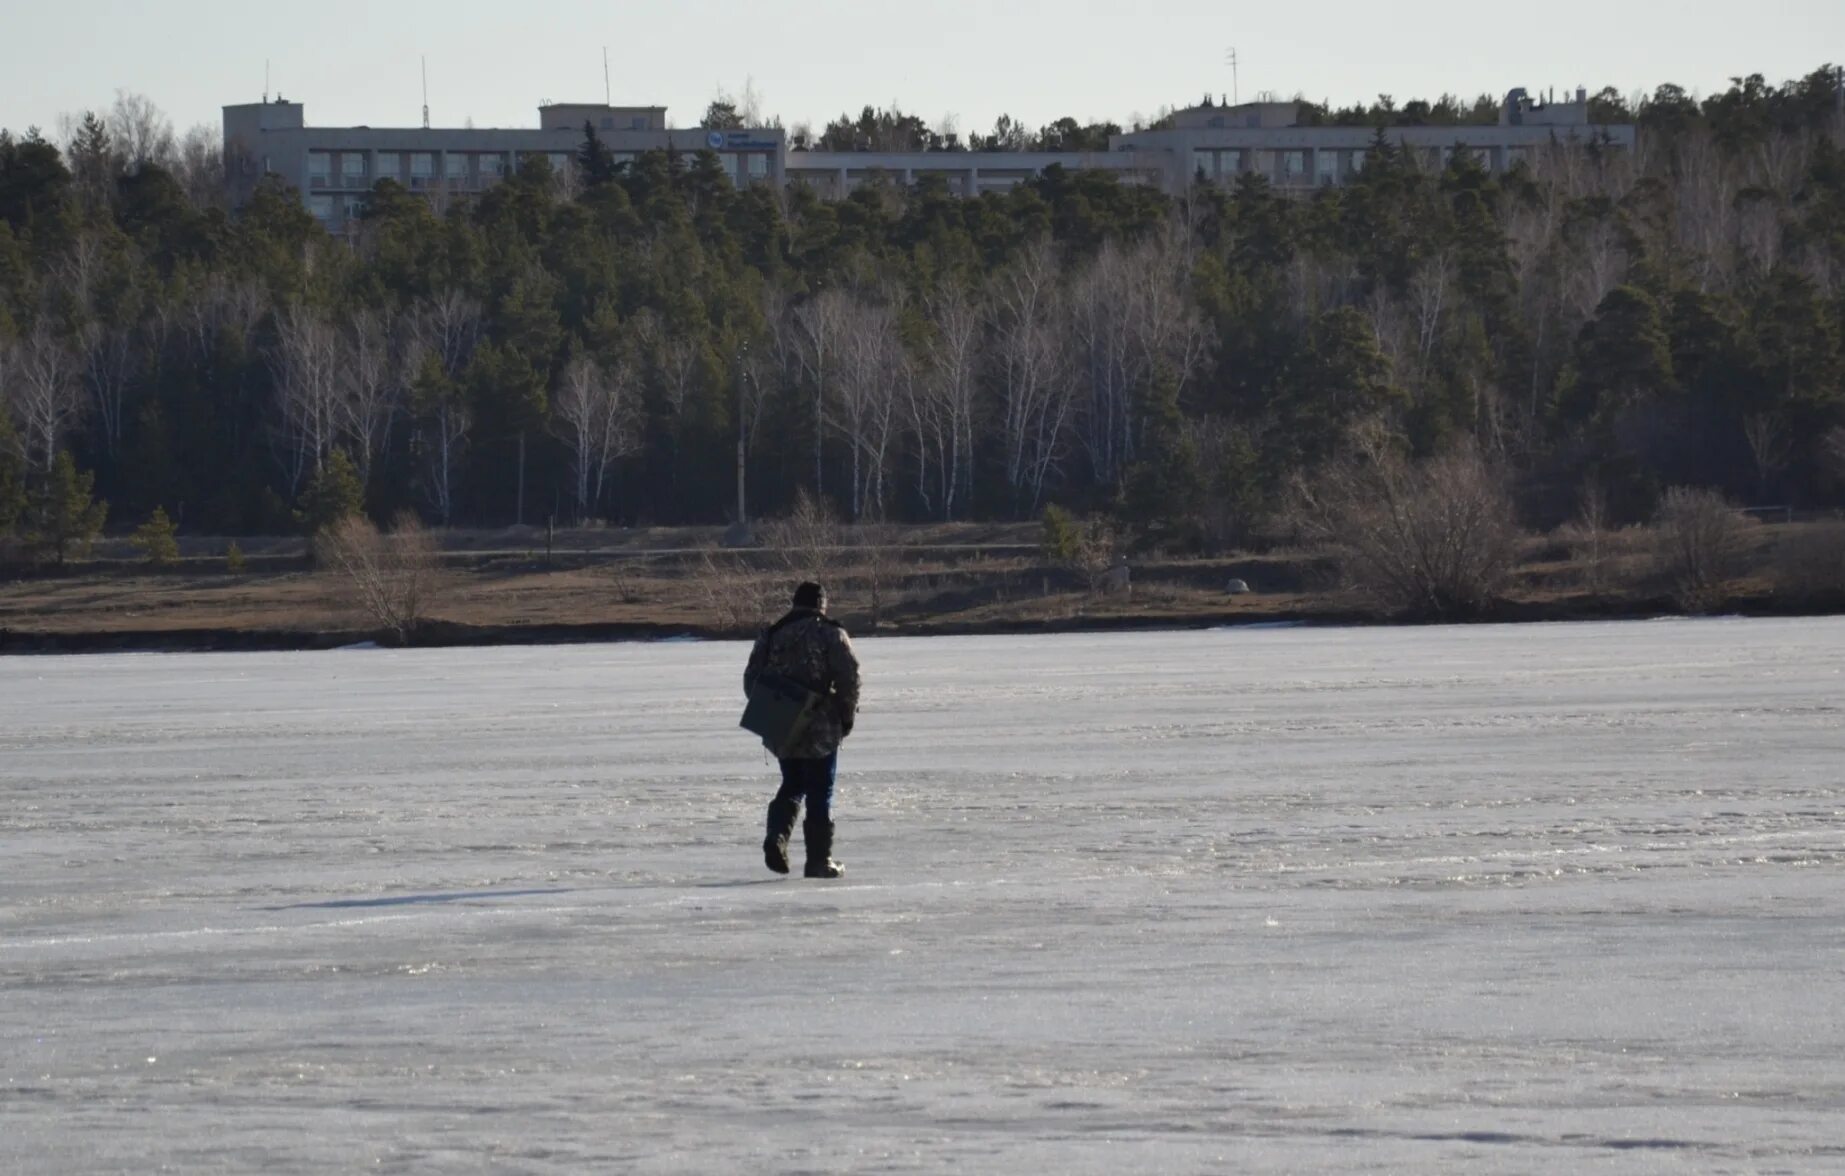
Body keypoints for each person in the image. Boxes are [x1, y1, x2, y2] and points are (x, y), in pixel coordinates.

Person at [745, 581, 860, 879]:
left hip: (782, 724)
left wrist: (774, 709)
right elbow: (849, 678)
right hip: (820, 727)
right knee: (821, 789)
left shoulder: (772, 634)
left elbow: (751, 680)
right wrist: (845, 718)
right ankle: (819, 861)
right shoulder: (830, 633)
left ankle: (776, 839)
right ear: (822, 604)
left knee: (793, 783)